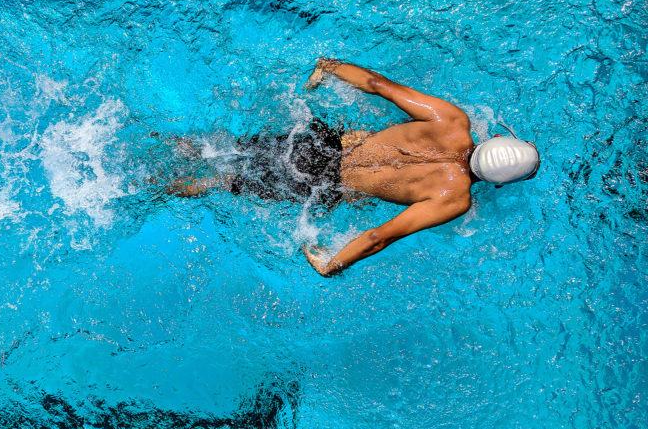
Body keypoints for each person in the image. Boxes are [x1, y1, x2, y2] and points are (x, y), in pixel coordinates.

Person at [167, 58, 540, 276]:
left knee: (220, 150)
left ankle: (169, 144)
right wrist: (333, 264)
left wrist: (330, 67)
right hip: (323, 184)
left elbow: (378, 84)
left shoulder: (452, 120)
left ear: (495, 139)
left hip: (318, 142)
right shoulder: (454, 198)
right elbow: (380, 236)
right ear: (498, 183)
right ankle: (156, 188)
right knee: (223, 182)